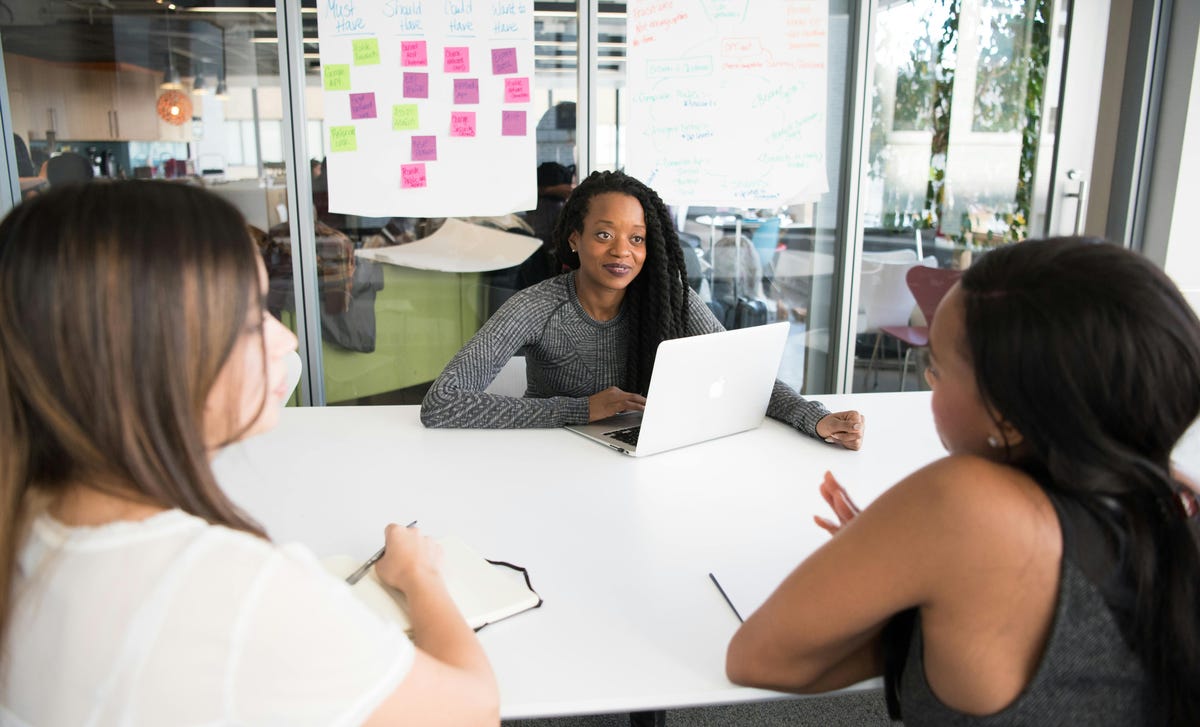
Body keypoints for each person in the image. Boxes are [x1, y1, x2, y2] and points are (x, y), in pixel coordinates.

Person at [0, 182, 499, 726]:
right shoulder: (227, 592)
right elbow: (472, 710)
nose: (285, 341)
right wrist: (420, 576)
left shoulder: (28, 521)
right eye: (248, 320)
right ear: (152, 358)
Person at [726, 238, 1200, 725]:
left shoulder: (963, 503)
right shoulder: (1176, 496)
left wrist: (906, 575)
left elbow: (756, 657)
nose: (929, 382)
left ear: (1008, 416)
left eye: (937, 368)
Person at [421, 170, 864, 449]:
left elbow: (746, 376)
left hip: (642, 457)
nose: (622, 251)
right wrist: (578, 409)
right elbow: (441, 404)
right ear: (574, 239)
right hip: (546, 460)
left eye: (637, 238)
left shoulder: (668, 300)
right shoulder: (537, 306)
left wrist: (816, 418)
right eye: (603, 235)